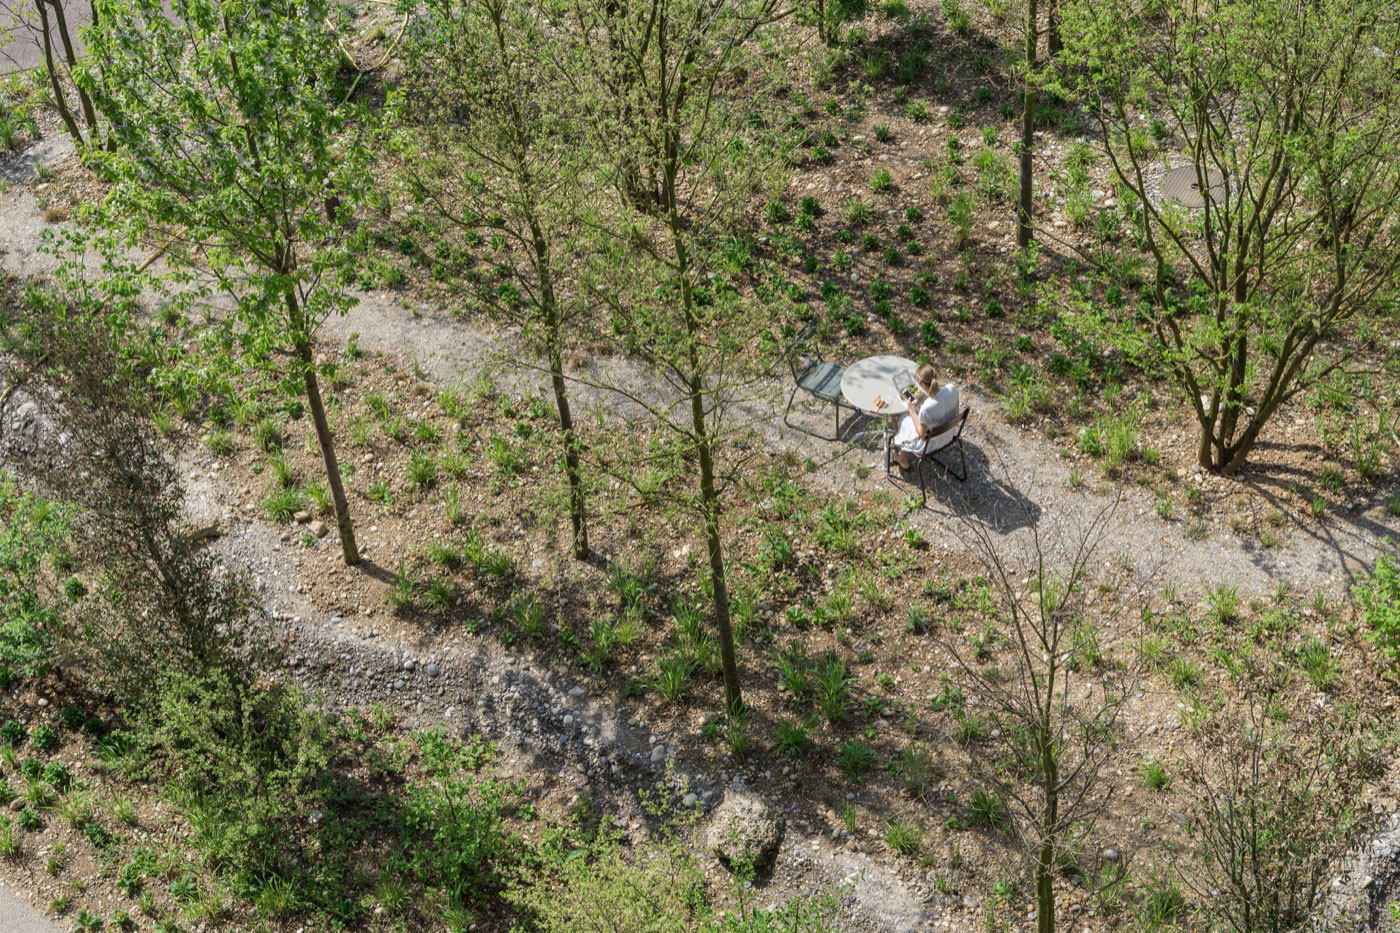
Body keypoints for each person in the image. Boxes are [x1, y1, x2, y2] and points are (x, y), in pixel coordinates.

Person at [890, 364, 959, 471]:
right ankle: (901, 449)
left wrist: (912, 410)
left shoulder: (926, 408)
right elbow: (943, 404)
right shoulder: (952, 388)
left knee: (903, 418)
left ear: (921, 383)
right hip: (950, 433)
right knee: (912, 417)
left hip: (930, 445)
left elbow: (922, 435)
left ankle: (903, 458)